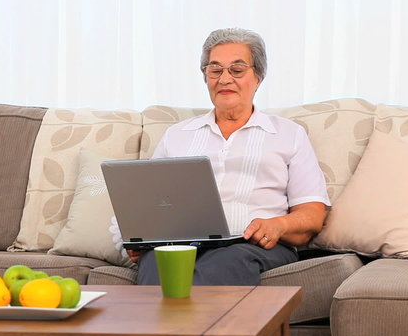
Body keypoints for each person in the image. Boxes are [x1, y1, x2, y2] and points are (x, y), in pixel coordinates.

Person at [131, 28, 331, 286]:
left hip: (251, 246)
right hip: (183, 242)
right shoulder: (177, 135)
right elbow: (152, 204)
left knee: (223, 262)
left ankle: (186, 326)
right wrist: (143, 238)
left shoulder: (288, 134)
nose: (224, 79)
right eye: (215, 70)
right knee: (159, 260)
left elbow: (312, 214)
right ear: (205, 78)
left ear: (258, 77)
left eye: (236, 70)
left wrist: (278, 225)